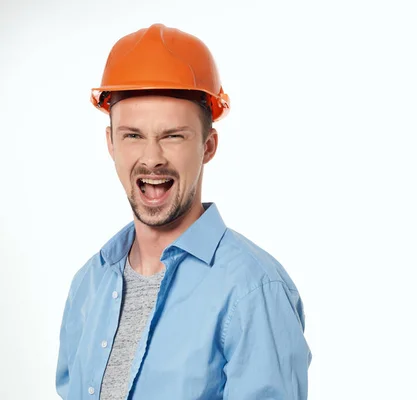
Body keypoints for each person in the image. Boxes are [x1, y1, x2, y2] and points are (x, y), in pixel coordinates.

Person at [55, 23, 311, 400]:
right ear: (111, 143)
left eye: (173, 136)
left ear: (208, 146)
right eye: (133, 135)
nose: (152, 158)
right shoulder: (89, 285)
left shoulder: (254, 292)